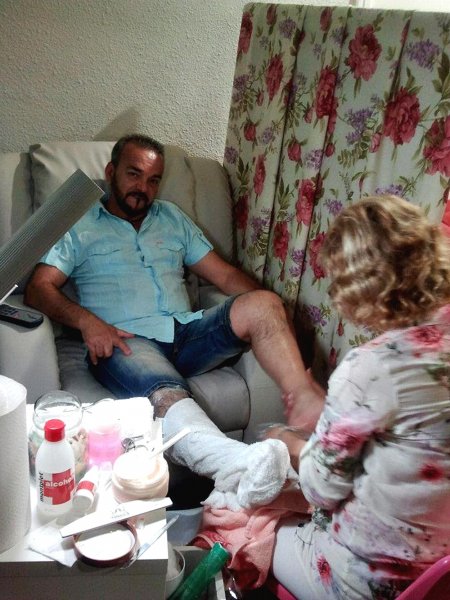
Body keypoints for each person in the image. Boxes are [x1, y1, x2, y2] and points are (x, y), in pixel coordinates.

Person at [24, 133, 323, 505]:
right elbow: (38, 288)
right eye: (134, 174)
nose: (143, 188)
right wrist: (88, 322)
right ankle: (236, 463)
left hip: (187, 331)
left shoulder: (171, 217)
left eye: (153, 180)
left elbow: (225, 276)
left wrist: (279, 311)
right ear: (111, 172)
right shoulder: (80, 224)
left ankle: (305, 403)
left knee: (263, 304)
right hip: (125, 340)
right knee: (165, 391)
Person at [264, 195, 450, 599]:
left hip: (372, 579)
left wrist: (290, 440)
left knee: (254, 522)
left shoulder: (372, 367)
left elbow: (321, 491)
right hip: (440, 575)